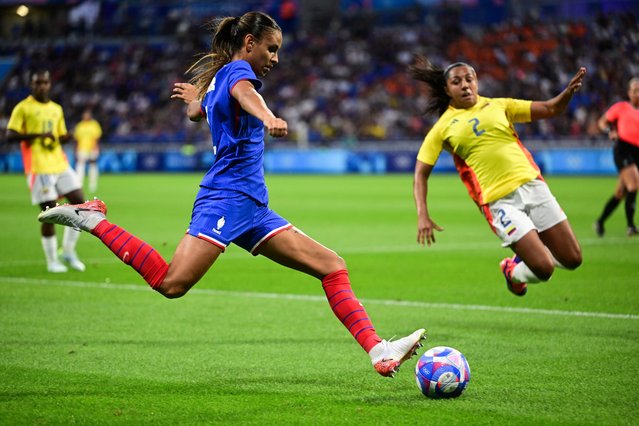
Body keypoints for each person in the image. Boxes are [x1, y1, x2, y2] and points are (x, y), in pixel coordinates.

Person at [39, 12, 425, 377]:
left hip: (253, 207)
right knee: (172, 284)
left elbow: (198, 112)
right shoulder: (238, 73)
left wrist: (196, 98)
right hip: (226, 198)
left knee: (332, 266)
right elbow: (246, 95)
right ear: (249, 41)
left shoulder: (219, 80)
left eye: (278, 51)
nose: (275, 58)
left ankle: (379, 351)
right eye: (271, 49)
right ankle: (95, 219)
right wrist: (268, 116)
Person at [409, 56, 585, 296]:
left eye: (469, 79)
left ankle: (524, 254)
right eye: (457, 82)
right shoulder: (442, 127)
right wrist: (423, 215)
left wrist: (568, 92)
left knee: (573, 259)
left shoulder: (500, 105)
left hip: (533, 186)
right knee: (544, 268)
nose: (465, 85)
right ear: (447, 89)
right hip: (499, 201)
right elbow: (420, 173)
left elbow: (551, 108)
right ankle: (512, 271)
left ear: (477, 82)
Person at [6, 69, 87, 273]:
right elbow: (10, 134)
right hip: (38, 166)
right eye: (37, 83)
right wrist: (37, 135)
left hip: (59, 162)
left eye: (44, 83)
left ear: (50, 84)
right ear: (32, 85)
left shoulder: (56, 108)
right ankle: (52, 261)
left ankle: (68, 251)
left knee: (82, 204)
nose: (41, 86)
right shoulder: (23, 108)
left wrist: (66, 137)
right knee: (50, 212)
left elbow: (57, 136)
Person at [594, 77, 639, 237]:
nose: (637, 93)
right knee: (634, 185)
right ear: (629, 92)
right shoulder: (621, 107)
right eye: (634, 90)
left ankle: (600, 222)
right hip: (623, 149)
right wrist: (609, 132)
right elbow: (602, 122)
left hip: (637, 153)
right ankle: (631, 226)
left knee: (621, 193)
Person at [74, 109, 102, 193]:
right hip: (82, 148)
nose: (86, 116)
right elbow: (77, 139)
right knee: (80, 165)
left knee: (93, 165)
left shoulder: (94, 124)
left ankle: (92, 184)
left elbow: (96, 138)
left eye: (87, 114)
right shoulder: (80, 125)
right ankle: (79, 184)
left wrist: (96, 147)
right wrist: (76, 149)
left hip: (92, 148)